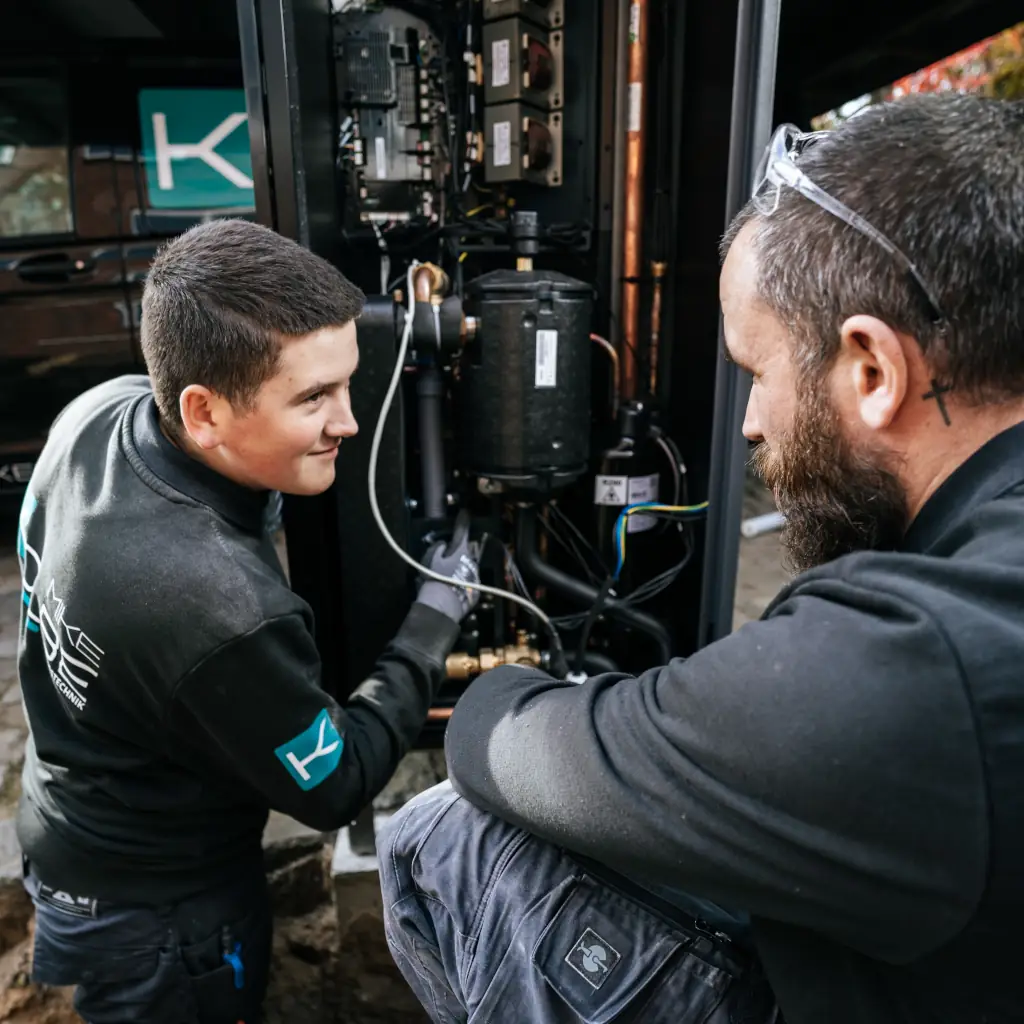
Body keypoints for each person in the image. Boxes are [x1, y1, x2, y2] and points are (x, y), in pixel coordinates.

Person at [378, 94, 1024, 1024]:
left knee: (446, 832)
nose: (753, 424)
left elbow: (516, 744)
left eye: (757, 374)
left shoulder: (929, 663)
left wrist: (489, 694)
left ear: (873, 371)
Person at [14, 219, 479, 1024]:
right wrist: (434, 623)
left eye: (346, 385)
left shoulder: (100, 412)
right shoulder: (212, 611)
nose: (349, 423)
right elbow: (335, 786)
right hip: (162, 916)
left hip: (72, 821)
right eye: (312, 399)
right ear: (204, 410)